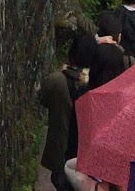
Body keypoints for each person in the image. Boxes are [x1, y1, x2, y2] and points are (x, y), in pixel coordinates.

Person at [37, 33, 98, 190]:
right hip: (84, 153)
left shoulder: (57, 80)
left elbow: (43, 99)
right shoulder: (96, 83)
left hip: (60, 149)